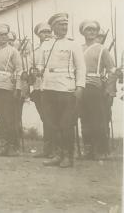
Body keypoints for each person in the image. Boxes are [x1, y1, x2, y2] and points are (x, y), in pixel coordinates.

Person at [40, 13, 85, 168]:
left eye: (65, 25)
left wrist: (80, 86)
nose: (64, 27)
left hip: (66, 88)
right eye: (60, 25)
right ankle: (58, 154)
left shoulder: (73, 45)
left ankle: (68, 156)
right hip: (48, 87)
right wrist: (36, 71)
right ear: (52, 27)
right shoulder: (46, 44)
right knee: (53, 123)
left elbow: (80, 68)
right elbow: (41, 65)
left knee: (66, 124)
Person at [79, 20, 115, 160]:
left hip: (95, 87)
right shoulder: (79, 48)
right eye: (88, 29)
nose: (92, 32)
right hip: (80, 86)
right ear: (83, 32)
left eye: (94, 30)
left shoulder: (102, 49)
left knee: (98, 119)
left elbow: (112, 71)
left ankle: (100, 150)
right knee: (84, 118)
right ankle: (88, 148)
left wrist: (109, 89)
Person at [0, 24, 23, 156]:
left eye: (5, 34)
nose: (3, 37)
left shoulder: (13, 51)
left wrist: (18, 88)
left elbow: (19, 70)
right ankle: (3, 145)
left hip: (8, 86)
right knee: (0, 118)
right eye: (0, 35)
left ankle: (13, 146)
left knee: (10, 118)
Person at [30, 22, 54, 158]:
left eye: (49, 32)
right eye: (43, 32)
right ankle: (48, 148)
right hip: (39, 88)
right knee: (45, 118)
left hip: (52, 88)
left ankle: (56, 148)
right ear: (38, 35)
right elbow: (28, 71)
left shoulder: (55, 49)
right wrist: (31, 74)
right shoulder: (35, 52)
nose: (47, 34)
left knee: (53, 118)